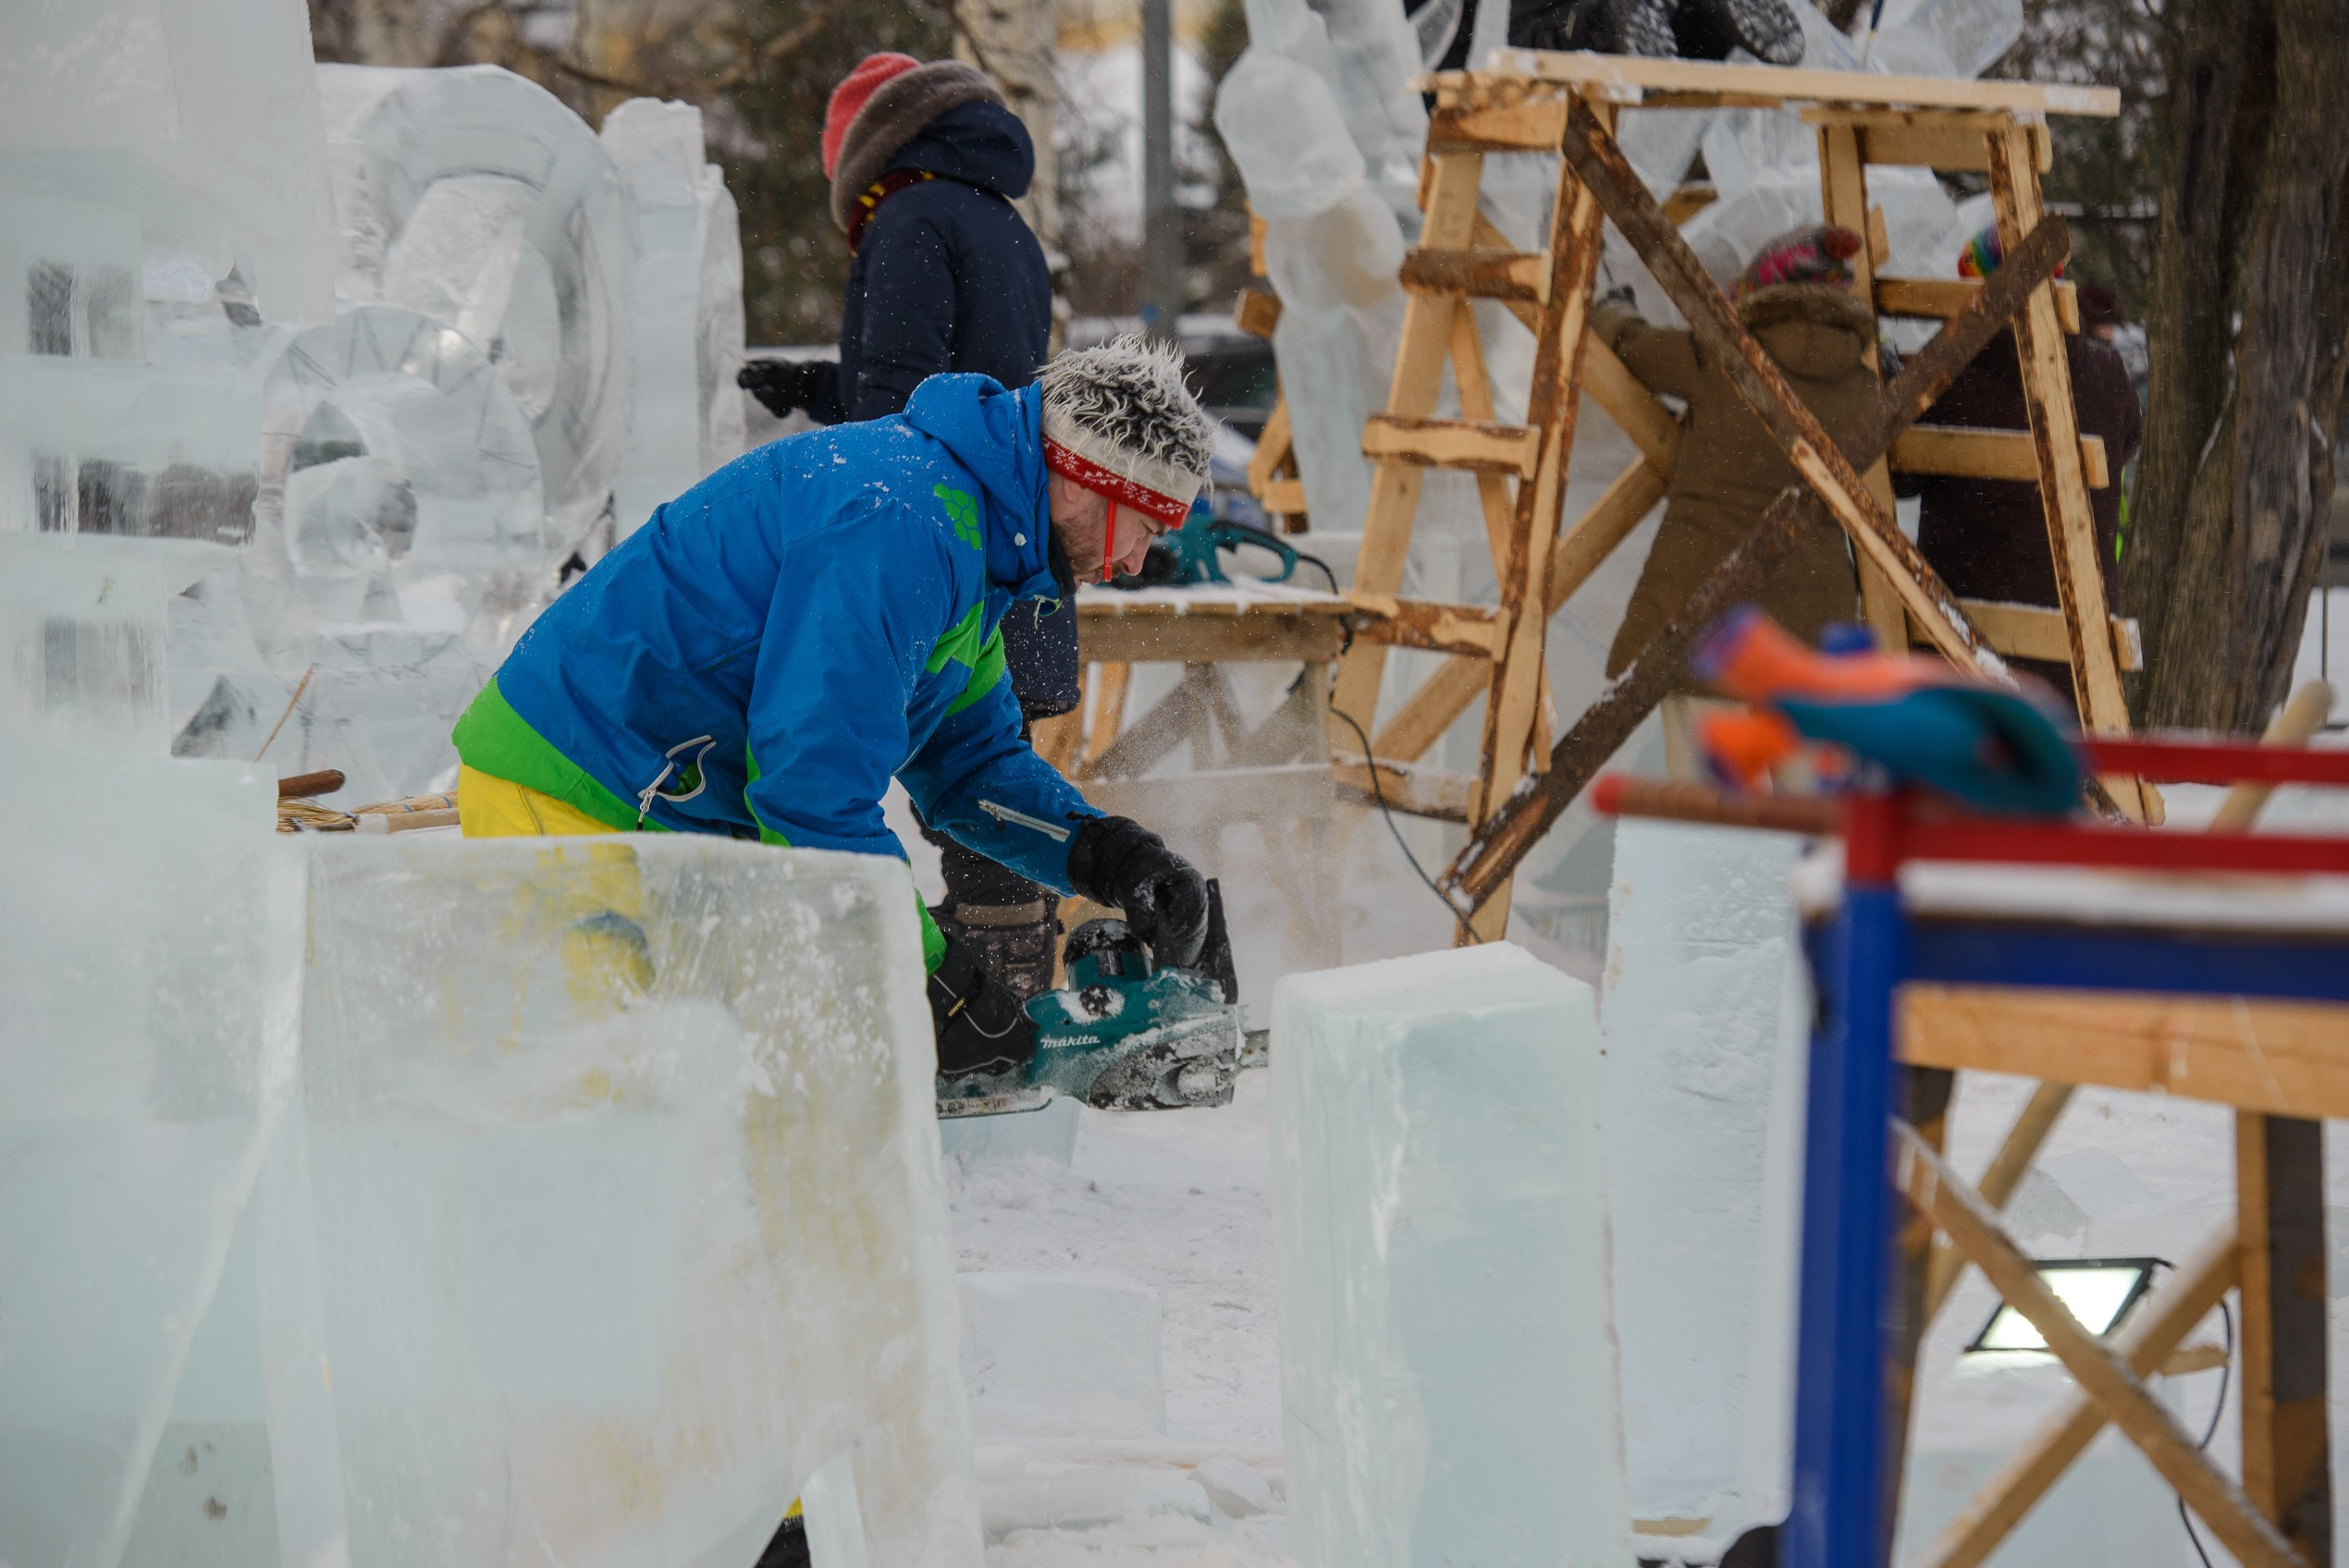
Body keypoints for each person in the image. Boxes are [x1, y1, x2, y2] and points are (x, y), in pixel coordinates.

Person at [451, 337, 1216, 1014]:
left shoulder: (977, 546)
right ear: (1083, 479)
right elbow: (811, 789)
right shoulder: (906, 523)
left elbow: (968, 767)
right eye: (1142, 529)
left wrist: (1108, 855)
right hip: (574, 781)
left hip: (666, 807)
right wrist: (926, 976)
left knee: (714, 1100)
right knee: (610, 1107)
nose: (1133, 566)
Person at [735, 52, 1077, 1031]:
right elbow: (967, 389)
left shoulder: (909, 218)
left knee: (952, 781)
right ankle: (1015, 988)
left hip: (946, 554)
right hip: (1025, 550)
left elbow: (902, 424)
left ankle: (985, 1024)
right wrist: (816, 391)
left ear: (862, 150)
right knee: (997, 792)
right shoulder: (1002, 226)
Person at [1595, 224, 1881, 681]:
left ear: (1756, 294)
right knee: (1789, 751)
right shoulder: (1867, 392)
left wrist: (1610, 307)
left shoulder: (1723, 358)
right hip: (1814, 634)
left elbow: (1634, 349)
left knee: (1702, 750)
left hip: (1702, 621)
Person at [1900, 228, 2143, 712]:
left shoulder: (1947, 376)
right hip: (2079, 650)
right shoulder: (2107, 370)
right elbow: (2129, 441)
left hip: (1971, 655)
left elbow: (1899, 477)